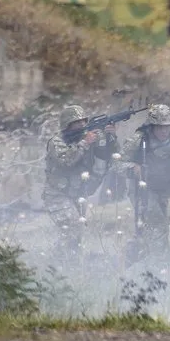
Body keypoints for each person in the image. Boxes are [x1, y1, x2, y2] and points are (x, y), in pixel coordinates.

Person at [112, 104, 170, 271]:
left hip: (163, 188)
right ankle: (164, 269)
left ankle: (124, 261)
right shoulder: (139, 139)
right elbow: (116, 164)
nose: (164, 131)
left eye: (167, 127)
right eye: (160, 127)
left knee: (151, 231)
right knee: (157, 224)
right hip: (142, 189)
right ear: (152, 126)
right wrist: (133, 168)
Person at [43, 104, 119, 266]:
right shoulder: (56, 142)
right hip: (57, 194)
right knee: (73, 227)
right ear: (67, 125)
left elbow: (110, 155)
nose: (82, 126)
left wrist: (111, 137)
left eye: (84, 122)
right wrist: (85, 143)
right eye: (77, 123)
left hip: (78, 195)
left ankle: (66, 265)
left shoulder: (91, 138)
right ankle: (58, 263)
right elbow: (66, 161)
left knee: (75, 235)